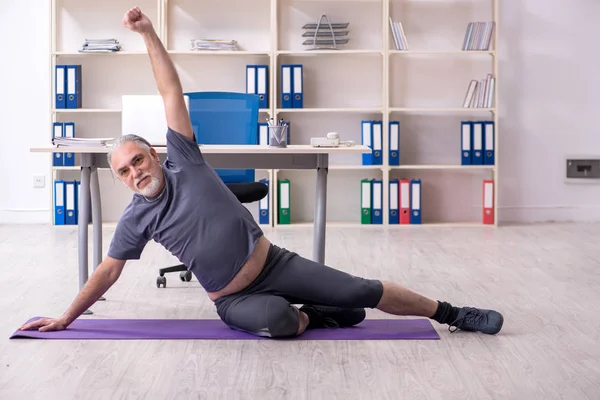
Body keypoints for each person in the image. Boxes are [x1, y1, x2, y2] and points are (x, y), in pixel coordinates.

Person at [20, 7, 504, 337]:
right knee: (280, 322)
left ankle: (455, 313)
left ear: (154, 153)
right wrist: (66, 317)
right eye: (123, 172)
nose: (133, 174)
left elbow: (170, 90)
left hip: (275, 262)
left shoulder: (184, 157)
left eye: (138, 160)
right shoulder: (135, 218)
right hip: (234, 300)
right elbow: (107, 271)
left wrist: (148, 33)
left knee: (364, 290)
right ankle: (315, 314)